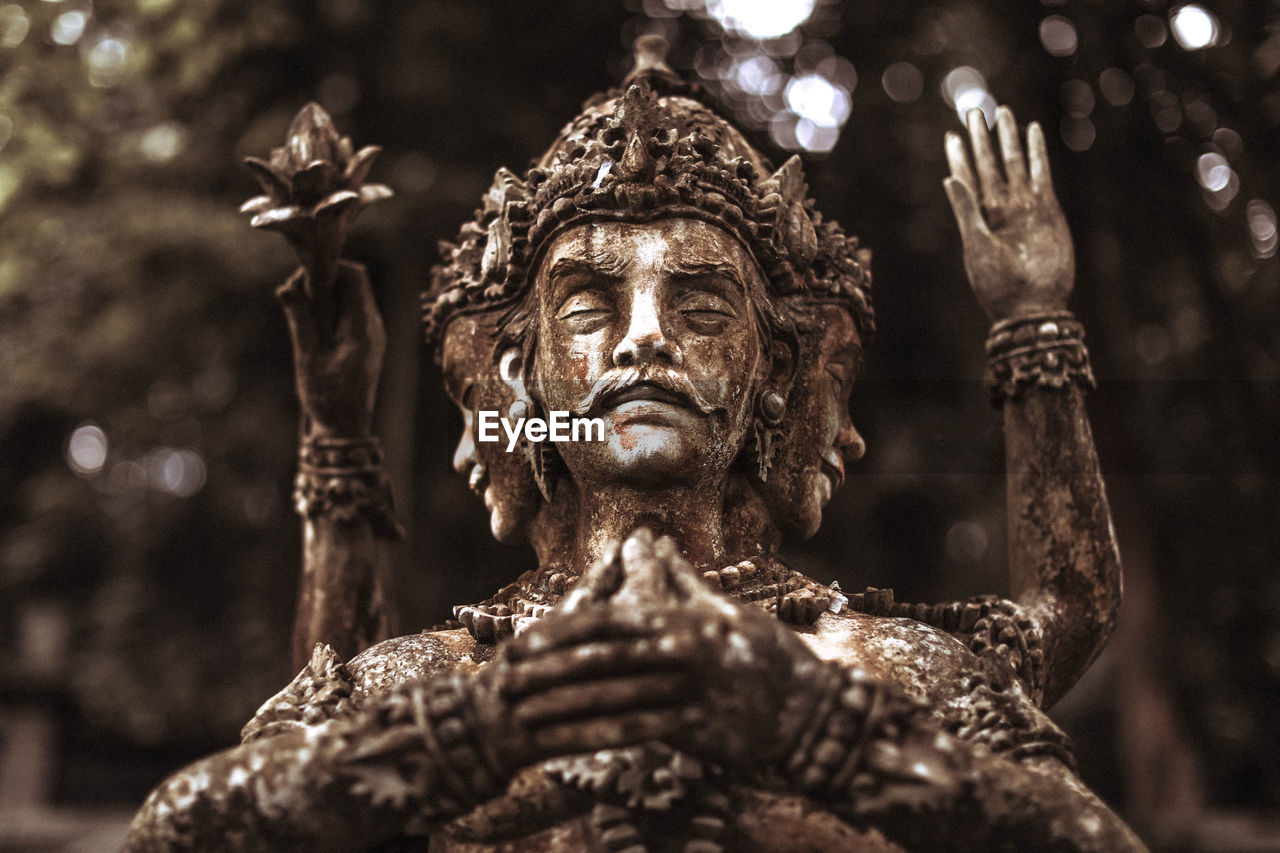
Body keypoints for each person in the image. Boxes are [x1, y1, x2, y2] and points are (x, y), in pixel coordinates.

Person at [125, 37, 1143, 851]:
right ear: (522, 384)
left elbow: (1078, 755)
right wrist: (485, 734)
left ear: (773, 380)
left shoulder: (895, 671)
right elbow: (181, 833)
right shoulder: (425, 685)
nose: (646, 334)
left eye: (701, 306)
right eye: (586, 305)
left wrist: (813, 730)